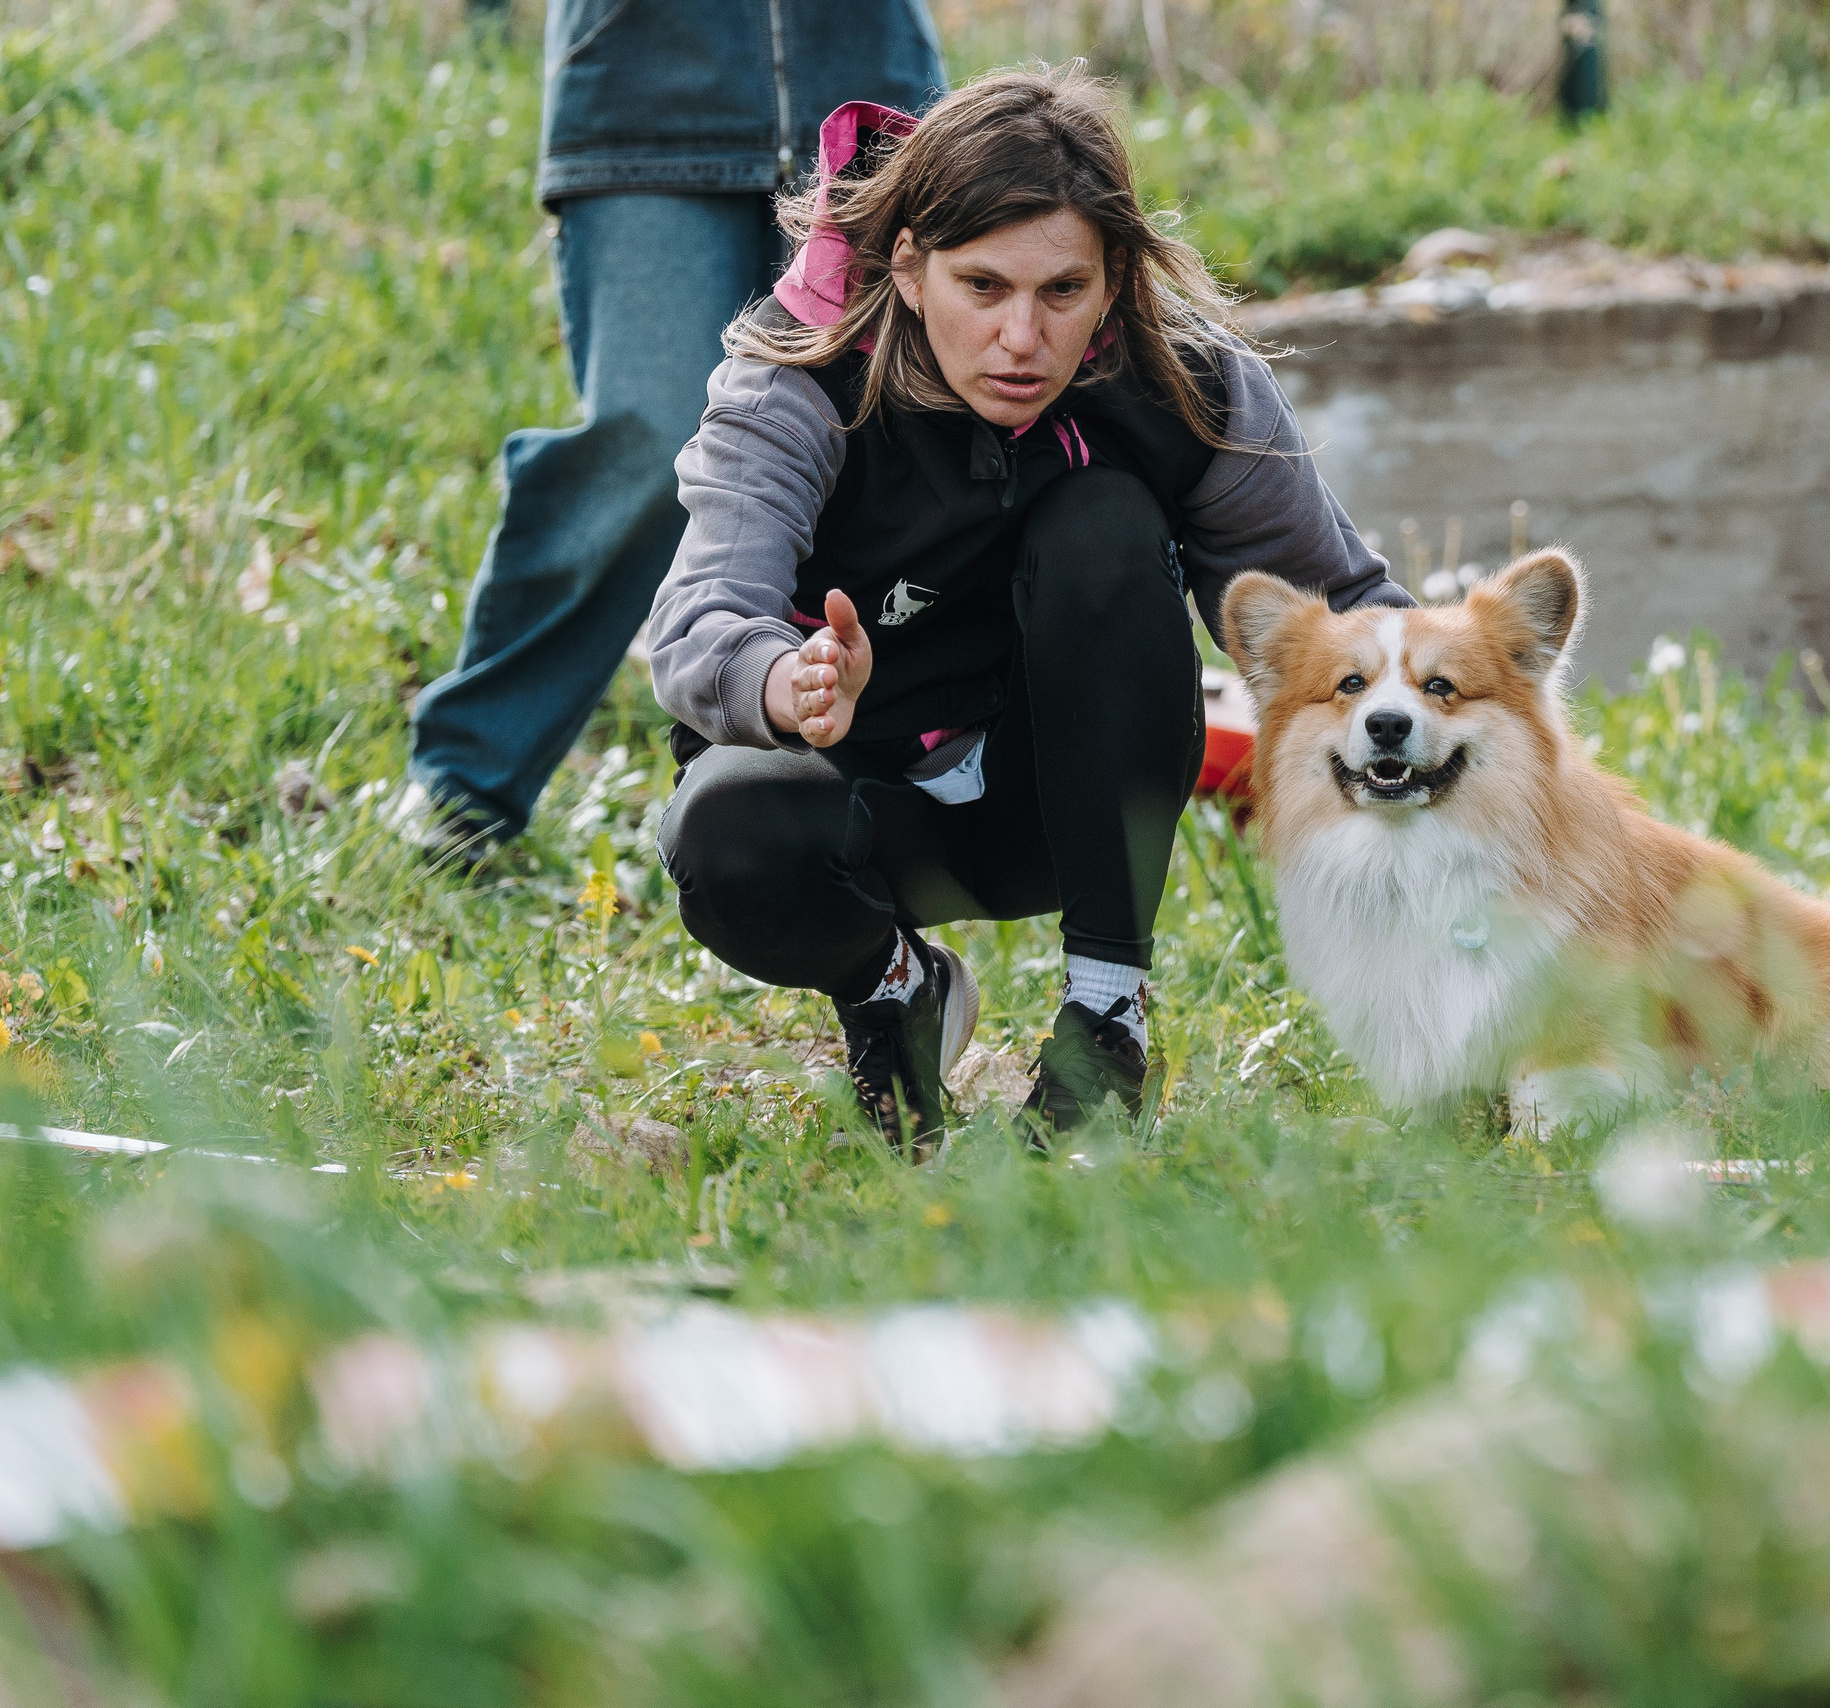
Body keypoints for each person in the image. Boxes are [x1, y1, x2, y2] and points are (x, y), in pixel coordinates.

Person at [645, 70, 1409, 1150]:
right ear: (909, 266)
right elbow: (694, 622)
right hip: (858, 808)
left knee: (1100, 521)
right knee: (723, 834)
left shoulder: (1185, 388)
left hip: (1057, 804)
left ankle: (1106, 1021)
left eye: (1062, 292)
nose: (1021, 338)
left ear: (1112, 281)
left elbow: (1342, 617)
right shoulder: (797, 382)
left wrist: (1489, 730)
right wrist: (787, 676)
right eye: (983, 286)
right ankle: (895, 988)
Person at [398, 0, 945, 858]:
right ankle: (467, 780)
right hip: (641, 91)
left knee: (876, 432)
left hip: (867, 78)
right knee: (651, 441)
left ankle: (843, 822)